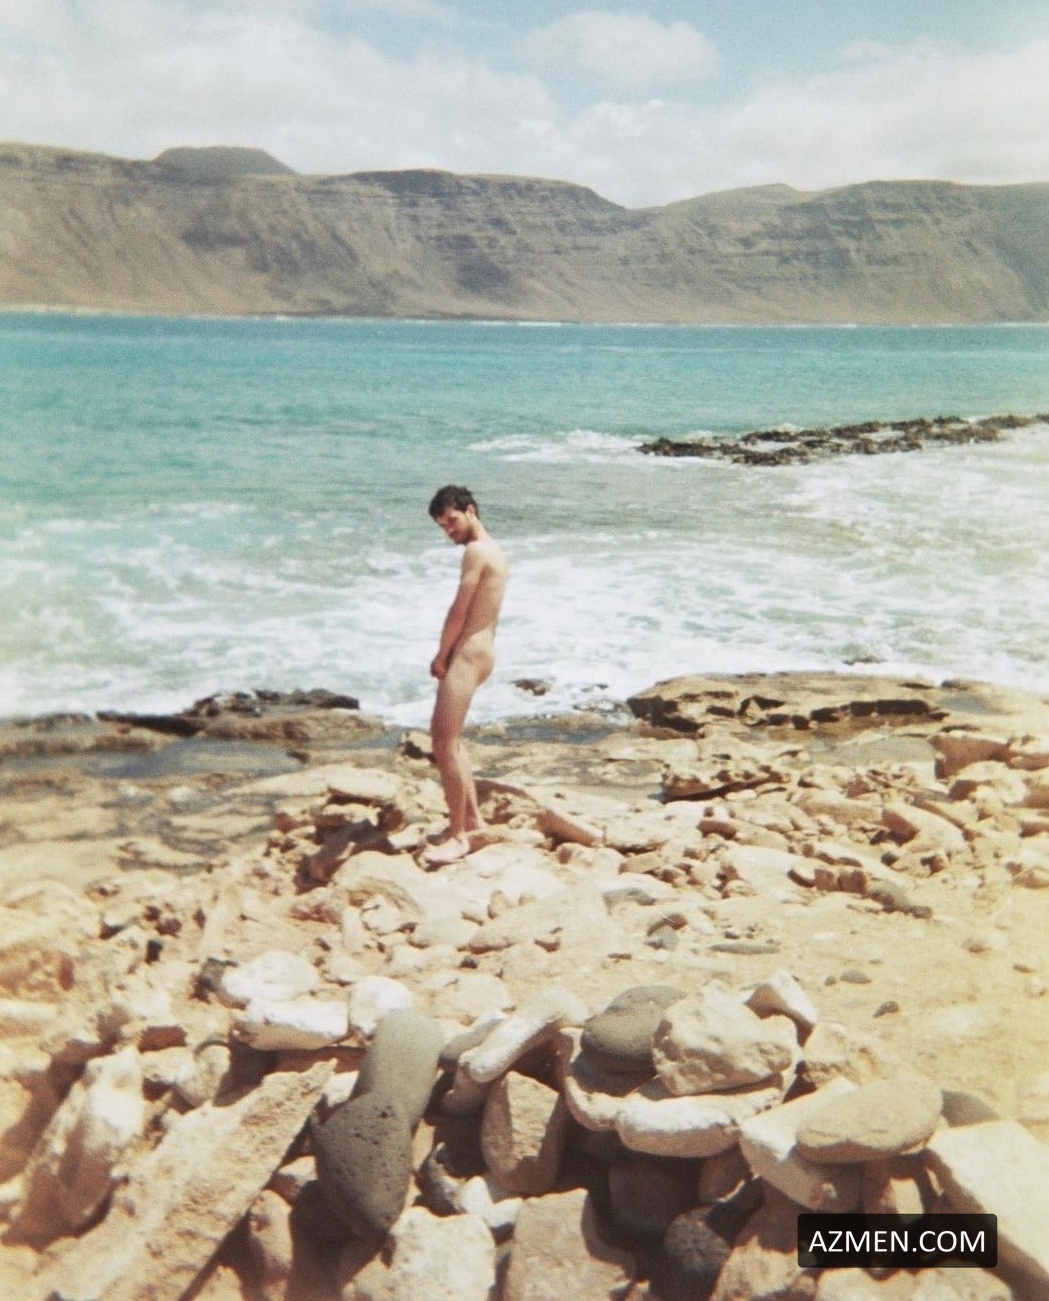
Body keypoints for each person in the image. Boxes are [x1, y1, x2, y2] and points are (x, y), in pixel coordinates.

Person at [424, 485, 508, 867]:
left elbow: (459, 610)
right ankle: (472, 821)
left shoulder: (476, 552)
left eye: (452, 520)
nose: (449, 530)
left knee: (443, 742)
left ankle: (458, 837)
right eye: (442, 526)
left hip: (469, 653)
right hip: (483, 650)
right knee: (453, 741)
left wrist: (441, 655)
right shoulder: (495, 550)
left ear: (470, 510)